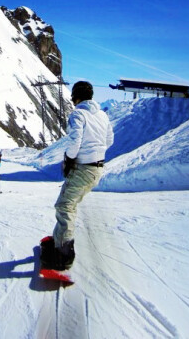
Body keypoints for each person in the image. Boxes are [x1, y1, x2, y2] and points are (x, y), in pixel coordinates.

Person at [51, 81, 114, 270]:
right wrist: (96, 152)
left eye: (73, 98)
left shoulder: (78, 114)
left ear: (77, 97)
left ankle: (63, 254)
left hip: (83, 168)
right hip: (97, 169)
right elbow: (109, 139)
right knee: (70, 204)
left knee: (64, 206)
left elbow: (75, 139)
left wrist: (70, 158)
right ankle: (59, 240)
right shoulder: (102, 115)